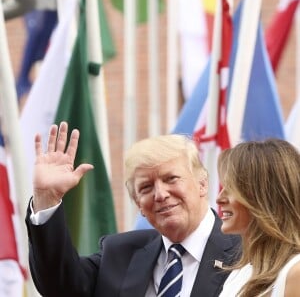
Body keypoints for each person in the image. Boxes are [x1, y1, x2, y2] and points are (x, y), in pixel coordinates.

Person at [25, 121, 240, 297]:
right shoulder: (120, 254)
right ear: (139, 205)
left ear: (202, 184)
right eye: (146, 187)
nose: (160, 194)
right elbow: (60, 285)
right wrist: (47, 199)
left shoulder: (248, 252)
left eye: (171, 178)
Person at [217, 139, 300, 297]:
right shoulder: (239, 273)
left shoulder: (295, 273)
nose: (219, 199)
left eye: (232, 189)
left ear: (264, 198)